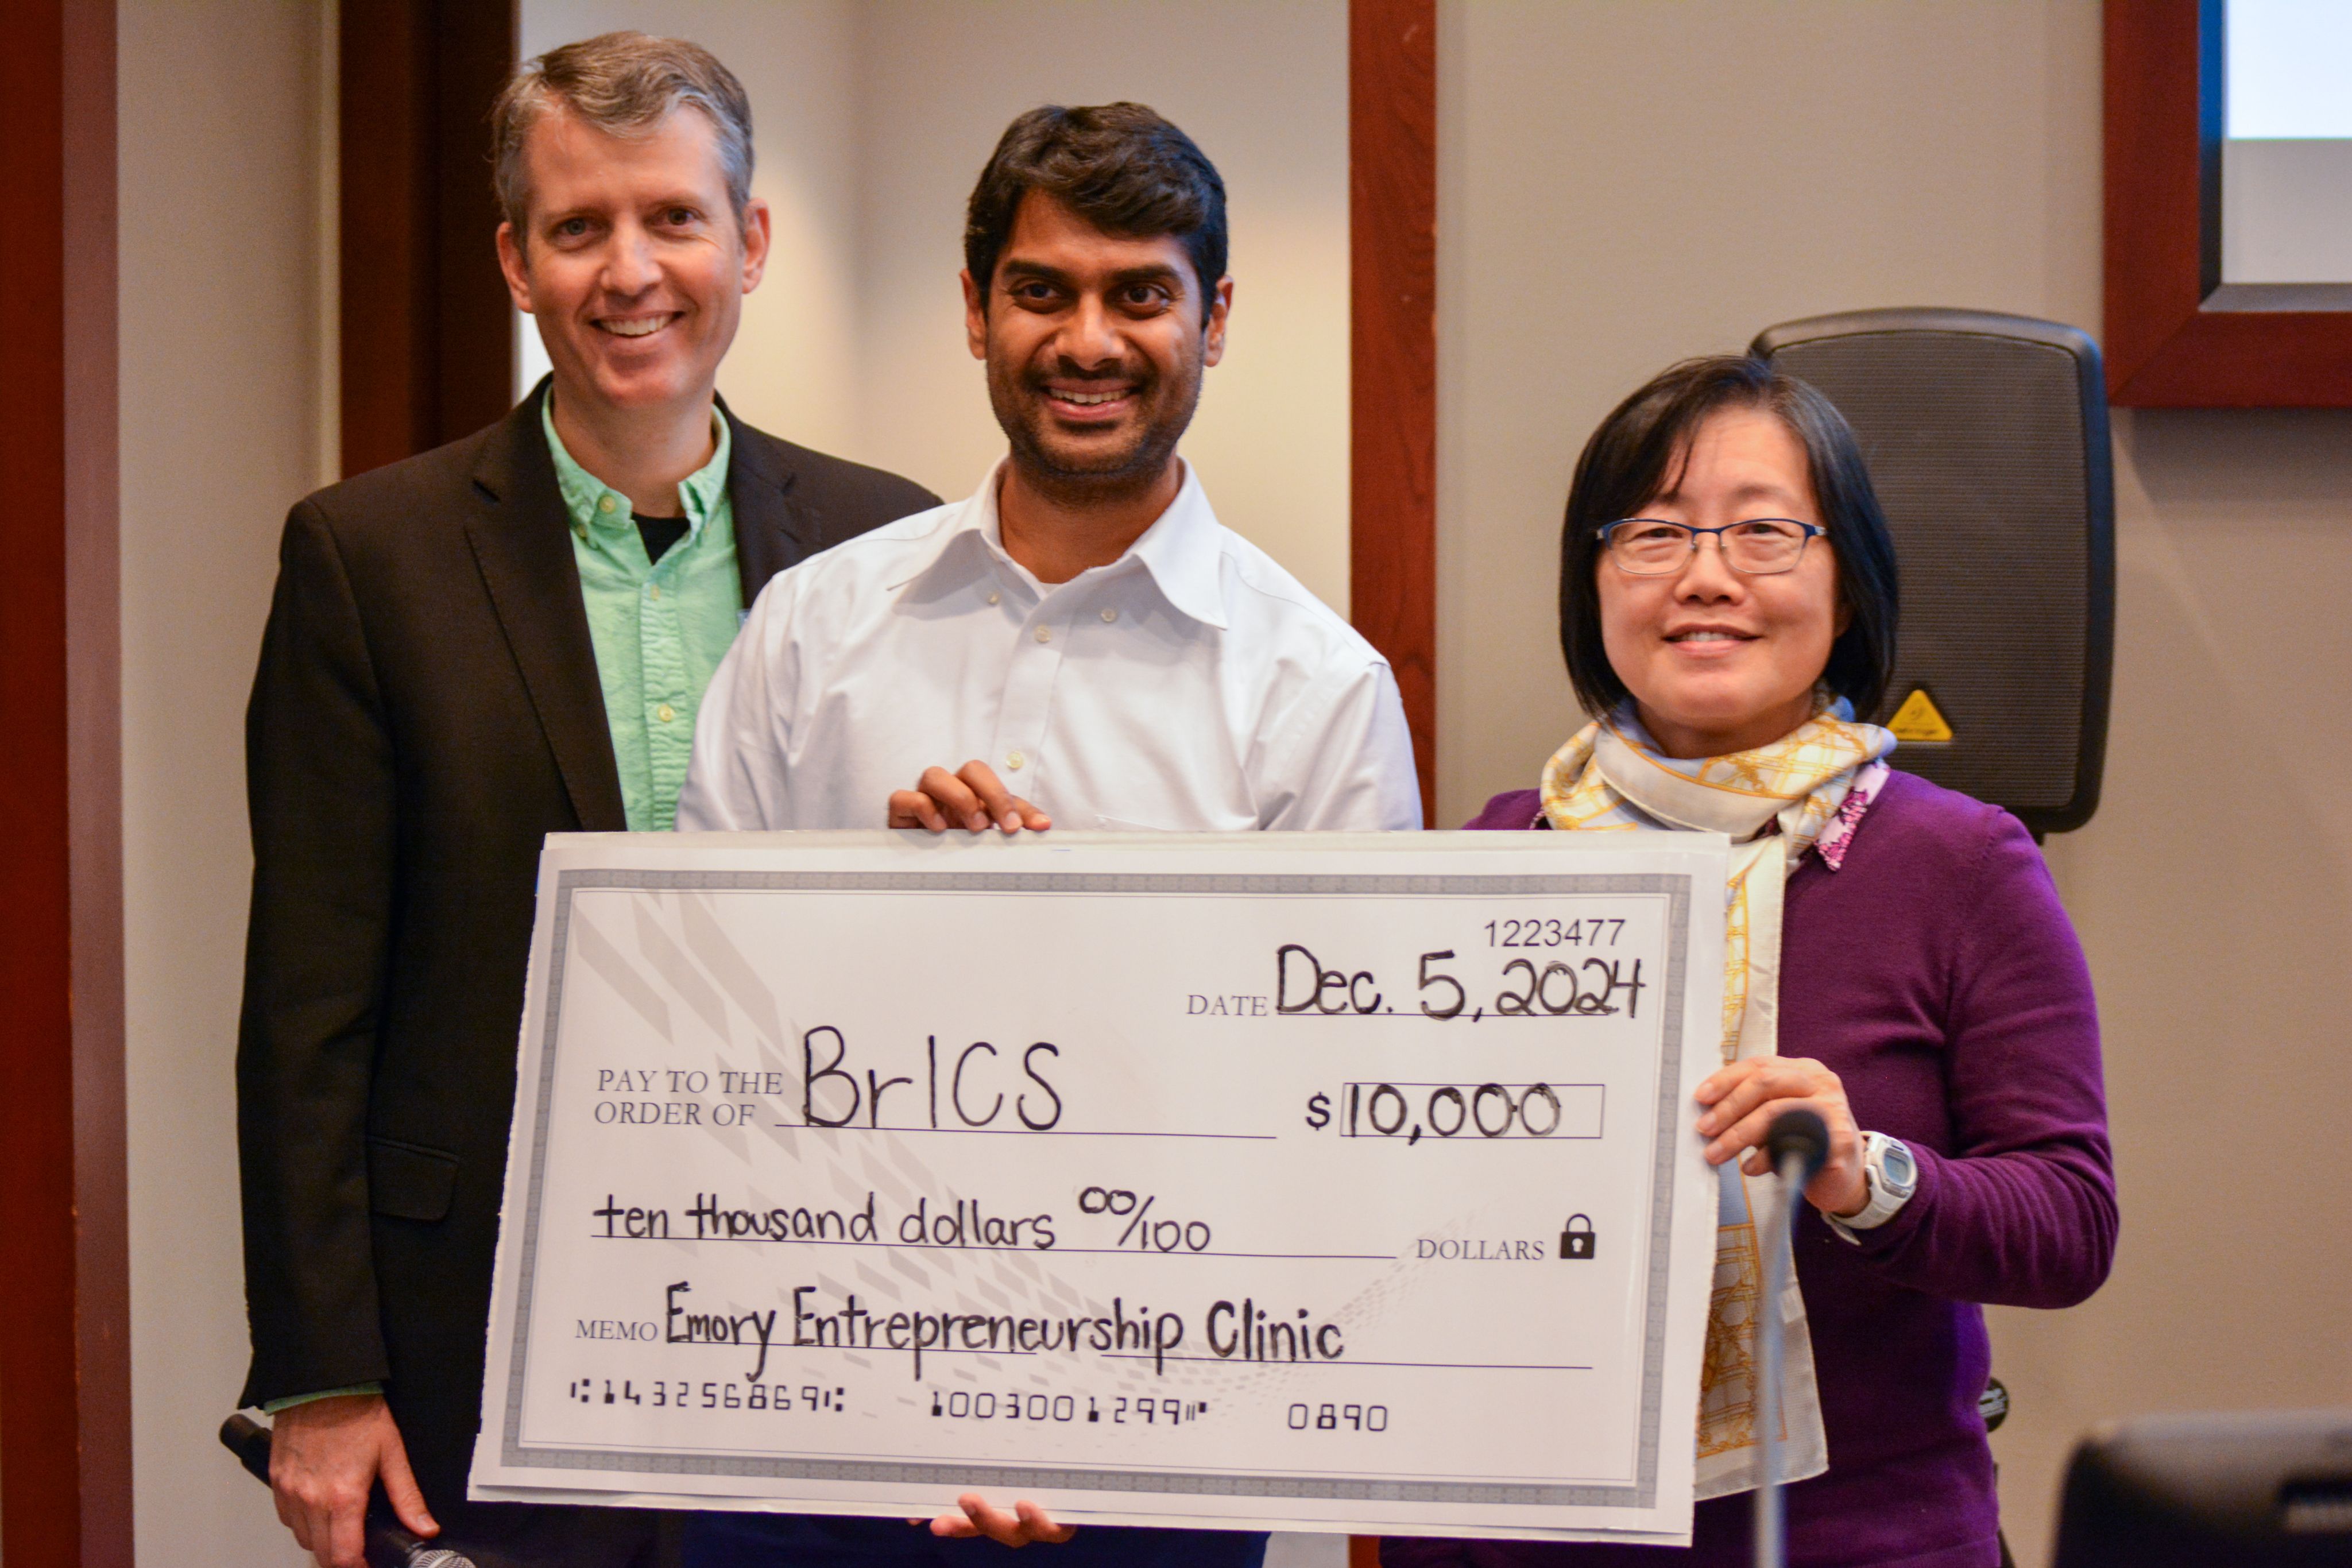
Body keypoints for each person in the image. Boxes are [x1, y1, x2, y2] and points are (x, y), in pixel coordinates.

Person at [675, 104, 1419, 1564]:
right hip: (801, 1414)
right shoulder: (808, 627)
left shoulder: (1315, 689)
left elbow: (1342, 1112)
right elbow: (689, 1018)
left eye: (1140, 293)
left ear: (1212, 321)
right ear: (974, 313)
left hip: (1149, 1453)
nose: (1089, 339)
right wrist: (866, 909)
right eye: (1042, 291)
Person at [237, 33, 938, 1568]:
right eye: (579, 227)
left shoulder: (896, 545)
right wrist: (322, 1373)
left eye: (674, 217)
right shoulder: (371, 559)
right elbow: (308, 1003)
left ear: (749, 242)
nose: (631, 270)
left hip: (825, 1311)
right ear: (515, 259)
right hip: (471, 1330)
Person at [1388, 357, 2115, 1568]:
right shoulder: (1496, 854)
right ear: (1592, 581)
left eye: (1765, 532)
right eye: (1653, 532)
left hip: (1859, 1541)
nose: (1705, 575)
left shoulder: (1956, 862)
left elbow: (2067, 1221)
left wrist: (1860, 1174)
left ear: (1848, 582)